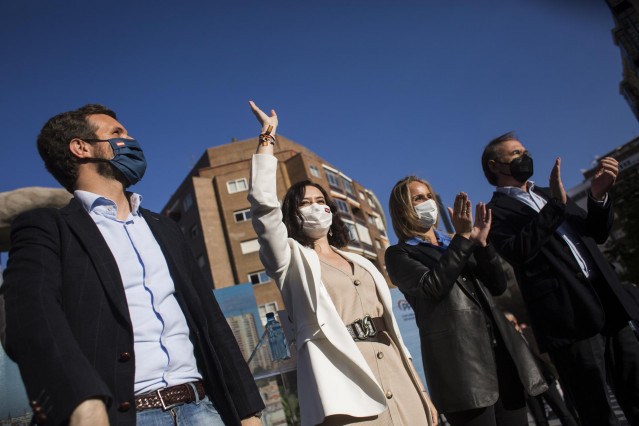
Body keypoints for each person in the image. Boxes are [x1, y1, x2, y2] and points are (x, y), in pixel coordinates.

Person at [1, 105, 264, 426]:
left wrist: (247, 412)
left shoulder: (164, 227)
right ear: (81, 147)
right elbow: (31, 316)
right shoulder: (48, 228)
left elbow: (211, 323)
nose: (130, 139)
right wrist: (81, 401)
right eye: (117, 133)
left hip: (203, 410)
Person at [246, 101, 436, 426]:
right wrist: (267, 138)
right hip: (346, 387)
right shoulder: (290, 262)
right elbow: (263, 205)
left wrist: (422, 392)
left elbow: (395, 335)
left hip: (399, 378)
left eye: (321, 202)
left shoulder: (362, 262)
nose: (315, 207)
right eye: (305, 203)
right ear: (292, 215)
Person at [482, 132, 639, 426]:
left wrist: (598, 196)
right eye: (515, 154)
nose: (524, 158)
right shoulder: (495, 213)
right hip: (570, 319)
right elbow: (519, 250)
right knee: (596, 411)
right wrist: (555, 205)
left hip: (610, 306)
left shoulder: (547, 192)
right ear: (495, 165)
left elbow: (596, 233)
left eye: (525, 151)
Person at [384, 176, 546, 426]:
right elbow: (433, 286)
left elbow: (498, 286)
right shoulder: (400, 253)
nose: (427, 203)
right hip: (462, 369)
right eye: (418, 198)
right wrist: (461, 238)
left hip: (501, 356)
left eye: (429, 196)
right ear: (401, 209)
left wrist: (481, 245)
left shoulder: (456, 241)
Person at [503, 312, 578, 426]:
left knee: (563, 411)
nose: (510, 326)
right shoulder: (508, 342)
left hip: (544, 377)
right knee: (540, 419)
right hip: (527, 384)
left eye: (511, 322)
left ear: (516, 321)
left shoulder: (530, 332)